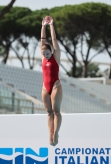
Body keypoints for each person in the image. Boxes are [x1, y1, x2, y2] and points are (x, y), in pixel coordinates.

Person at [40, 16, 62, 146]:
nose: (45, 55)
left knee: (56, 111)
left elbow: (53, 39)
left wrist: (51, 26)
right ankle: (50, 134)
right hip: (44, 87)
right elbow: (42, 41)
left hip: (55, 85)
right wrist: (43, 26)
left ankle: (56, 133)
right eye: (43, 53)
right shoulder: (43, 57)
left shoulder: (56, 56)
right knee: (49, 113)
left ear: (51, 51)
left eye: (47, 53)